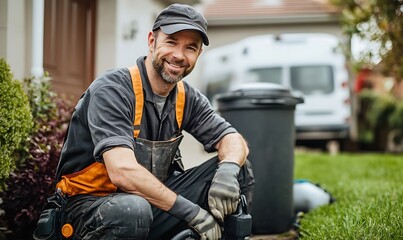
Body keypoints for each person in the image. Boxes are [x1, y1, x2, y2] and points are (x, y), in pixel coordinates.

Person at [49, 3, 254, 240]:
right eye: (171, 42)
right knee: (133, 211)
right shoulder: (113, 89)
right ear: (151, 41)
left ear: (198, 55)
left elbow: (232, 139)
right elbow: (122, 171)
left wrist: (228, 169)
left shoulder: (187, 97)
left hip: (149, 204)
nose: (179, 55)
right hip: (89, 209)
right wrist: (192, 213)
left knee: (240, 170)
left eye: (190, 47)